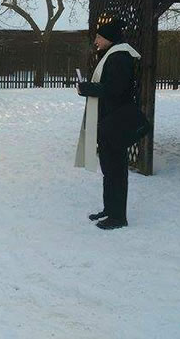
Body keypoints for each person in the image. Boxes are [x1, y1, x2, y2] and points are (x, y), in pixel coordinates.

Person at [75, 18, 140, 230]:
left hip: (115, 121)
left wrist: (87, 88)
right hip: (108, 120)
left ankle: (118, 217)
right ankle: (110, 209)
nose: (96, 40)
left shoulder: (120, 58)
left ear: (109, 38)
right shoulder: (112, 55)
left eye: (99, 36)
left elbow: (114, 90)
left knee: (116, 170)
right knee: (109, 169)